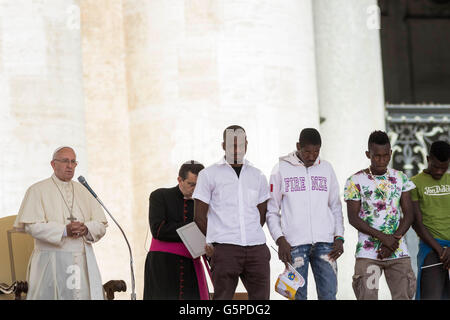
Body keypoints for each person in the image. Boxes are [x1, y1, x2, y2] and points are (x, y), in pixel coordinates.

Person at [14, 146, 108, 300]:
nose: (70, 166)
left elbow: (101, 224)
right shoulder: (37, 190)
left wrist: (86, 228)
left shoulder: (84, 191)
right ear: (53, 164)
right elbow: (31, 226)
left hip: (83, 262)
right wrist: (64, 231)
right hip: (50, 261)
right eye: (65, 161)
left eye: (73, 162)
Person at [193, 125, 271, 300]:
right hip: (224, 249)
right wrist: (217, 243)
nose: (236, 150)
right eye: (231, 146)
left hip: (256, 248)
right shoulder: (208, 174)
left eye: (240, 145)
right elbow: (199, 217)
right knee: (223, 299)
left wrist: (249, 234)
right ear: (223, 146)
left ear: (247, 145)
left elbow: (262, 213)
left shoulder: (258, 175)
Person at [266, 128, 345, 300]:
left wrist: (339, 237)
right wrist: (280, 240)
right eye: (307, 151)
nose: (311, 156)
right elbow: (272, 210)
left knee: (329, 295)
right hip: (294, 245)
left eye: (316, 151)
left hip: (326, 244)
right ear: (298, 147)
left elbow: (335, 206)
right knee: (297, 297)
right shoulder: (280, 169)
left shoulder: (327, 168)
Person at [344, 130, 416, 300]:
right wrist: (384, 238)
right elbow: (353, 218)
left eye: (385, 156)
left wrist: (393, 241)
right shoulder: (355, 180)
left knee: (403, 296)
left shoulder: (401, 178)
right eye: (376, 156)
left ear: (391, 153)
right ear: (368, 154)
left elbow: (409, 215)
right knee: (368, 296)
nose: (381, 160)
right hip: (368, 255)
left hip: (398, 253)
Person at [143, 161, 208, 300]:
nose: (196, 189)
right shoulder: (159, 196)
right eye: (191, 184)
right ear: (179, 180)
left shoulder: (205, 203)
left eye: (200, 185)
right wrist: (195, 226)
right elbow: (158, 230)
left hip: (191, 266)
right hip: (163, 265)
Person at [410, 140, 450, 300]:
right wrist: (441, 251)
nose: (440, 172)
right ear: (428, 159)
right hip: (432, 248)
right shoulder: (414, 183)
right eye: (435, 167)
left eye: (444, 167)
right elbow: (417, 223)